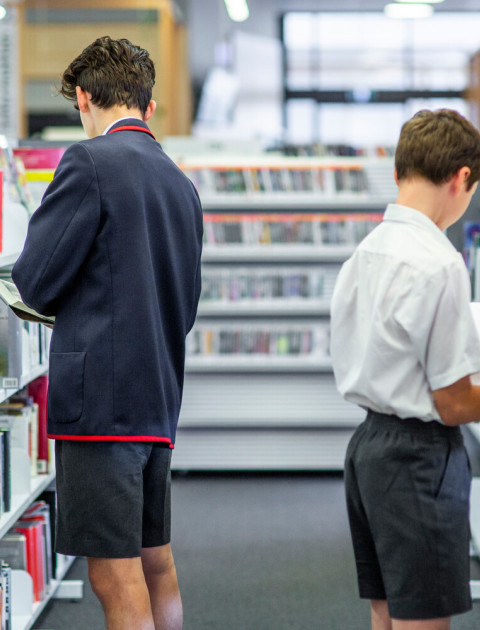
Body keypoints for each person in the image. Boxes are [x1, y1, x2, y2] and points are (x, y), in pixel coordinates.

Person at [12, 36, 203, 630]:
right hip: (157, 399)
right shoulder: (180, 184)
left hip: (100, 408)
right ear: (146, 105)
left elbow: (36, 280)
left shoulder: (88, 162)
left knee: (112, 574)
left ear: (88, 97)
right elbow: (185, 300)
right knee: (154, 561)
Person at [330, 109, 480, 630]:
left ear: (397, 173)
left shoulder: (364, 254)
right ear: (462, 179)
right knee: (423, 620)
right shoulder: (440, 263)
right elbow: (454, 402)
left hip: (368, 449)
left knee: (387, 612)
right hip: (421, 459)